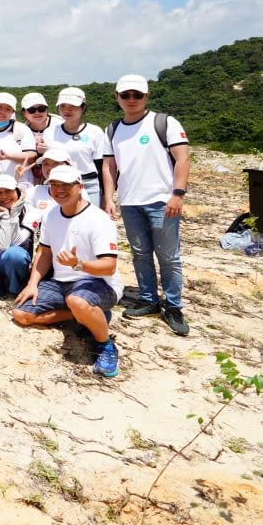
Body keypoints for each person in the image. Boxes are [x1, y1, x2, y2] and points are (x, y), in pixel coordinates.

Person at [101, 74, 191, 337]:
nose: (131, 100)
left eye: (137, 95)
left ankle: (173, 306)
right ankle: (149, 300)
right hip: (130, 202)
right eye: (125, 95)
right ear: (117, 97)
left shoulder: (164, 123)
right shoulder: (113, 129)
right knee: (140, 254)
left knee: (168, 257)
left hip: (162, 201)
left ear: (146, 96)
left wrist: (178, 194)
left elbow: (182, 158)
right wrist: (109, 197)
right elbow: (109, 166)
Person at [12, 165, 123, 378]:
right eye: (54, 185)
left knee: (78, 300)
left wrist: (79, 265)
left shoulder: (98, 219)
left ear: (80, 186)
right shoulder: (52, 215)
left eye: (65, 185)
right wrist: (32, 283)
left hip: (99, 283)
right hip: (61, 282)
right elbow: (44, 252)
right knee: (21, 314)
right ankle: (83, 316)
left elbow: (109, 266)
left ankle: (106, 346)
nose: (59, 190)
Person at [50, 87, 107, 206]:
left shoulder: (95, 131)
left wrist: (106, 196)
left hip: (89, 184)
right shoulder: (50, 132)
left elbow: (101, 165)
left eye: (73, 106)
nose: (67, 110)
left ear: (83, 107)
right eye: (63, 106)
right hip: (60, 185)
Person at [0, 93, 37, 184]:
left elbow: (31, 155)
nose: (2, 112)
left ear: (12, 112)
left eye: (8, 109)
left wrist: (8, 156)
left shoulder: (21, 129)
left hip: (21, 184)